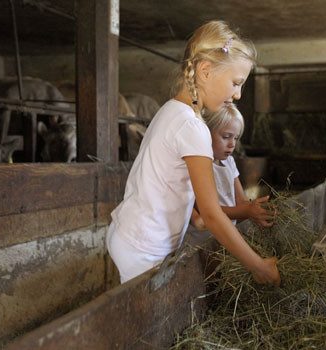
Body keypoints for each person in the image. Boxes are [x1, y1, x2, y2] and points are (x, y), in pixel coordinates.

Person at [106, 20, 281, 286]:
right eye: (236, 82)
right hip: (144, 246)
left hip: (133, 235)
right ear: (205, 71)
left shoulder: (172, 110)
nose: (238, 94)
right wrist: (258, 266)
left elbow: (166, 182)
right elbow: (212, 213)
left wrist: (194, 218)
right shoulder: (193, 127)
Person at [185, 104, 274, 244]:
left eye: (236, 138)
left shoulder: (229, 163)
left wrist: (257, 209)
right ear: (206, 133)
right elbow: (204, 210)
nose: (232, 144)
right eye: (226, 137)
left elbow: (241, 202)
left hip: (226, 236)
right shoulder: (198, 165)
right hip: (202, 240)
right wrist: (247, 211)